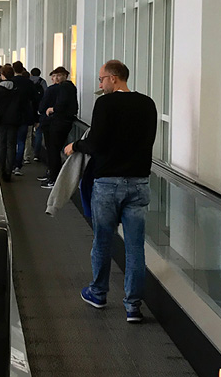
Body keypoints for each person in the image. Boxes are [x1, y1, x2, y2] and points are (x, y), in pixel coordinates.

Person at [64, 60, 157, 324]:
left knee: (103, 241)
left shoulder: (105, 104)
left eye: (102, 79)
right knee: (135, 247)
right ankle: (133, 306)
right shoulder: (147, 103)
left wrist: (75, 146)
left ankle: (98, 293)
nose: (100, 84)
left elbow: (96, 143)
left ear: (114, 78)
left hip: (107, 182)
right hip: (139, 182)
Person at [39, 66, 77, 188]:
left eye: (59, 75)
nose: (56, 78)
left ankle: (53, 178)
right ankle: (52, 175)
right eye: (55, 76)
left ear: (65, 76)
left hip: (59, 122)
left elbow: (60, 104)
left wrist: (53, 109)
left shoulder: (64, 88)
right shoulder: (69, 87)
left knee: (53, 150)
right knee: (54, 150)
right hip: (63, 122)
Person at [0, 64, 21, 181]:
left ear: (3, 75)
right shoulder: (17, 88)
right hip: (14, 120)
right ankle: (9, 171)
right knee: (11, 145)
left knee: (2, 145)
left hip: (0, 120)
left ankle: (2, 169)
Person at [11, 61, 37, 176]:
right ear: (22, 69)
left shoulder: (10, 82)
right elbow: (34, 99)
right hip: (25, 115)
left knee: (11, 141)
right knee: (21, 141)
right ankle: (17, 166)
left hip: (11, 117)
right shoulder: (28, 83)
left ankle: (10, 164)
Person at [28, 67, 48, 162]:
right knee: (39, 132)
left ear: (31, 74)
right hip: (39, 110)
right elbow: (46, 95)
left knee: (27, 134)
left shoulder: (27, 81)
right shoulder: (42, 81)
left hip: (29, 110)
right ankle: (36, 154)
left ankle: (26, 155)